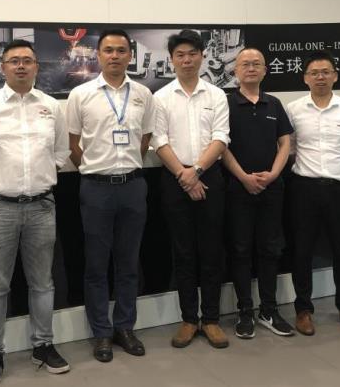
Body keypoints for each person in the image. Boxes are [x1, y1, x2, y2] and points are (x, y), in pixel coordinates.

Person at [0, 40, 72, 386]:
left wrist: (36, 181)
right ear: (3, 67)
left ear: (36, 66)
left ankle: (43, 345)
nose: (21, 66)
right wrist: (1, 185)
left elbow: (60, 153)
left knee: (43, 282)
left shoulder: (51, 107)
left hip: (41, 206)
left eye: (27, 60)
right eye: (14, 61)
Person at [65, 29, 155, 363]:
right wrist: (94, 169)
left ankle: (125, 327)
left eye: (121, 50)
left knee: (129, 263)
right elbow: (72, 143)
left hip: (133, 187)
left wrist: (125, 166)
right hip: (96, 189)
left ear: (130, 55)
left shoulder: (143, 94)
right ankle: (101, 332)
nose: (114, 56)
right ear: (98, 55)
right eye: (108, 50)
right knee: (96, 264)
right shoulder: (81, 94)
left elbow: (145, 139)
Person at [152, 29, 231, 349]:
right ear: (172, 60)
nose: (186, 60)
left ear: (202, 56)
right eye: (180, 55)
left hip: (210, 176)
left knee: (212, 250)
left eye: (192, 54)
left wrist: (196, 172)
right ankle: (188, 319)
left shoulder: (216, 95)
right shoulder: (160, 97)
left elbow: (221, 138)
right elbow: (159, 141)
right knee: (183, 251)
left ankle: (211, 319)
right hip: (174, 179)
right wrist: (184, 176)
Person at [285, 50, 340, 336]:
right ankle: (303, 310)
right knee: (302, 251)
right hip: (304, 189)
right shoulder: (293, 109)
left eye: (325, 72)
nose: (320, 77)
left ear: (335, 75)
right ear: (305, 78)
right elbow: (288, 148)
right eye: (314, 73)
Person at [222, 47, 295, 339]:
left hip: (271, 189)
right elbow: (220, 145)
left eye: (256, 64)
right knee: (240, 250)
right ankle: (245, 311)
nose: (251, 68)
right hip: (237, 189)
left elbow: (285, 143)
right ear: (235, 70)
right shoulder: (225, 103)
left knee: (270, 249)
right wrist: (243, 177)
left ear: (265, 70)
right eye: (245, 64)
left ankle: (269, 309)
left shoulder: (274, 104)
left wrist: (274, 174)